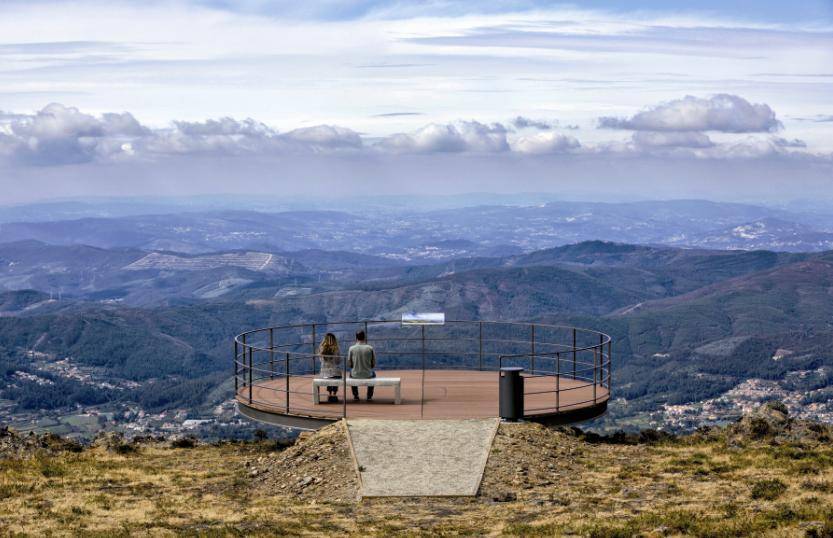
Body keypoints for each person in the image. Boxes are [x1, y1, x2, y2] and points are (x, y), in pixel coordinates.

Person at [347, 330, 376, 401]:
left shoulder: (351, 348)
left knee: (351, 374)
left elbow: (349, 364)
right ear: (364, 337)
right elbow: (373, 364)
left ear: (356, 338)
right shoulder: (370, 348)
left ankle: (356, 395)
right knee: (374, 374)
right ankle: (369, 396)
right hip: (368, 374)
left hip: (355, 374)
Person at [318, 333, 342, 403]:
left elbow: (321, 360)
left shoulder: (321, 348)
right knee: (335, 375)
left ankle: (330, 393)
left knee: (328, 376)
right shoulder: (336, 348)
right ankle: (334, 393)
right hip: (335, 373)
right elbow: (338, 362)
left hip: (324, 374)